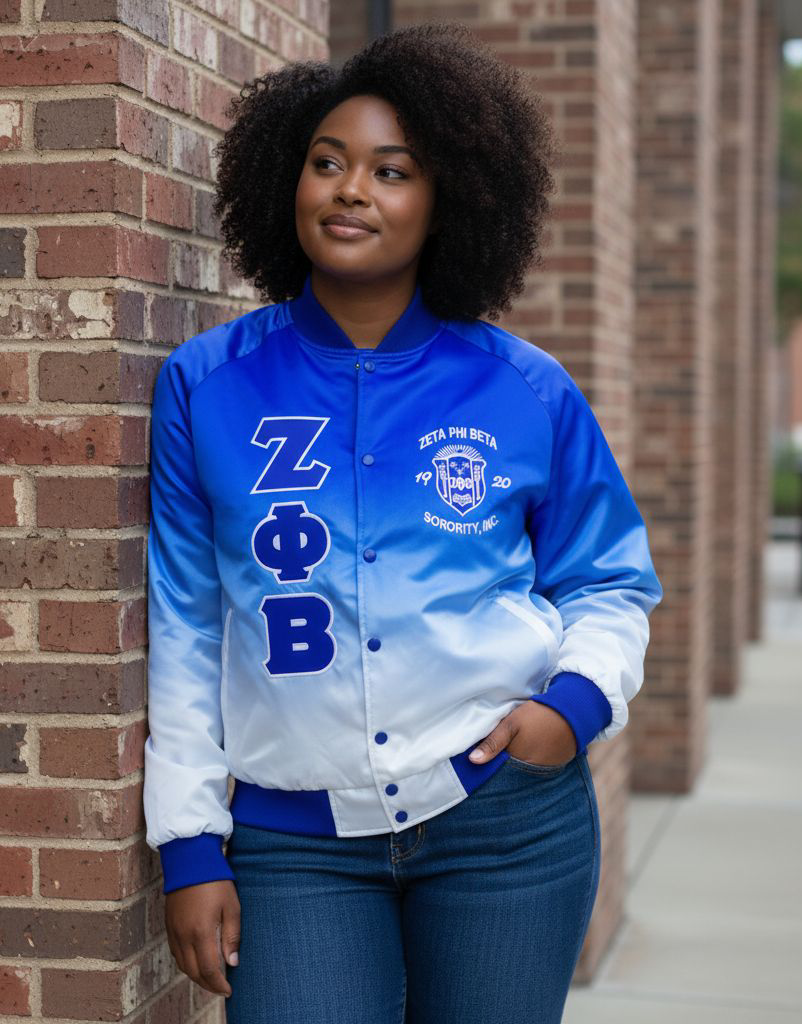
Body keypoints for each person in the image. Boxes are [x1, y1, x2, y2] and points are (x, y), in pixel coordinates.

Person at [143, 20, 663, 1024]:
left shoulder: (524, 389)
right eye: (326, 162)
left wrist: (571, 710)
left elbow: (608, 580)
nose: (351, 190)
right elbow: (188, 625)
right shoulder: (205, 386)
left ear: (447, 199)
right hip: (292, 844)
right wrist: (189, 841)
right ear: (285, 181)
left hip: (504, 824)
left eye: (392, 171)